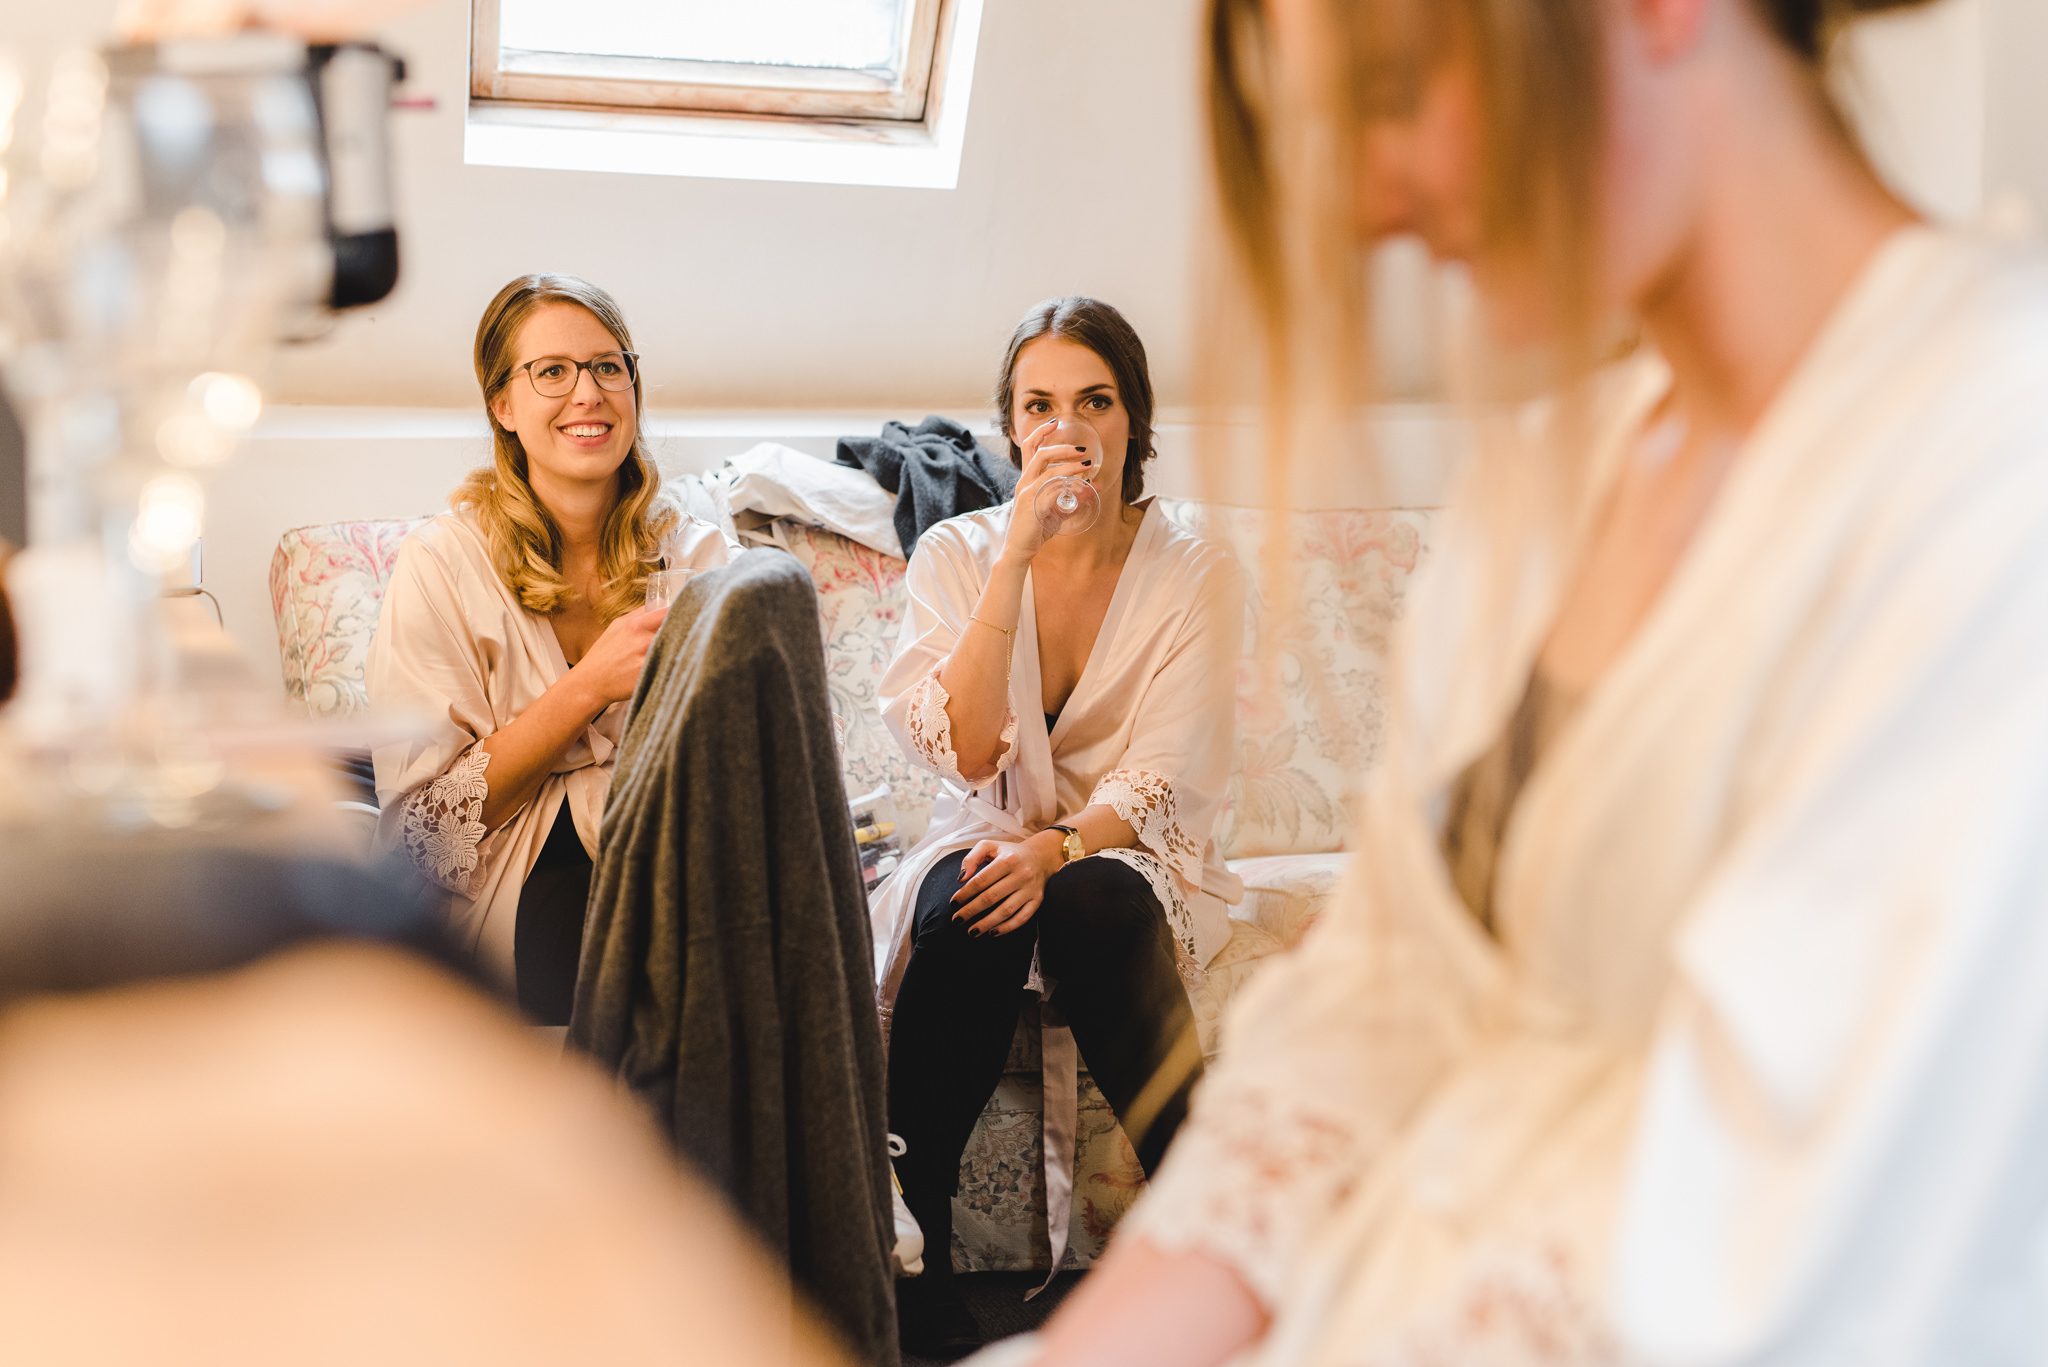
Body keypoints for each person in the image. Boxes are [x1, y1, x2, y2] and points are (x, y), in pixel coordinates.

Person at [994, 0, 2048, 1364]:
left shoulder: (1992, 468)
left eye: (1392, 86)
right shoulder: (1547, 486)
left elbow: (1765, 1270)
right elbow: (1368, 1012)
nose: (1364, 201)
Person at [874, 296, 1245, 1357]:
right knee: (971, 900)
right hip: (983, 825)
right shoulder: (955, 553)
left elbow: (1168, 768)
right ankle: (919, 1244)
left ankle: (1205, 1228)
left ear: (1132, 422)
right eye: (1037, 405)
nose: (1065, 427)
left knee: (1091, 900)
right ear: (1008, 430)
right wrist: (1014, 557)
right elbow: (966, 748)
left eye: (1093, 400)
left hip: (1123, 848)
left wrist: (1061, 844)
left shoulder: (1196, 570)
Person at [367, 274, 734, 1025]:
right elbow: (422, 840)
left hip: (674, 858)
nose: (589, 393)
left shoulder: (695, 551)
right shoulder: (442, 564)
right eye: (552, 372)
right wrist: (587, 686)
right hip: (515, 875)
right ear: (502, 404)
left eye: (608, 366)